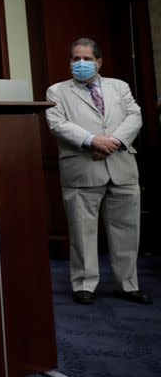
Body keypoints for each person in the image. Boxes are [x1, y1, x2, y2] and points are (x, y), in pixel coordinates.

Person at [45, 37, 151, 305]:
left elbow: (134, 116)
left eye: (87, 59)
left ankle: (128, 285)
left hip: (121, 167)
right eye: (75, 58)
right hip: (82, 169)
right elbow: (58, 124)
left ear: (99, 62)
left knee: (127, 231)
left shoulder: (120, 87)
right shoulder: (56, 91)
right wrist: (93, 140)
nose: (80, 63)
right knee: (82, 232)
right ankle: (84, 284)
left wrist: (111, 142)